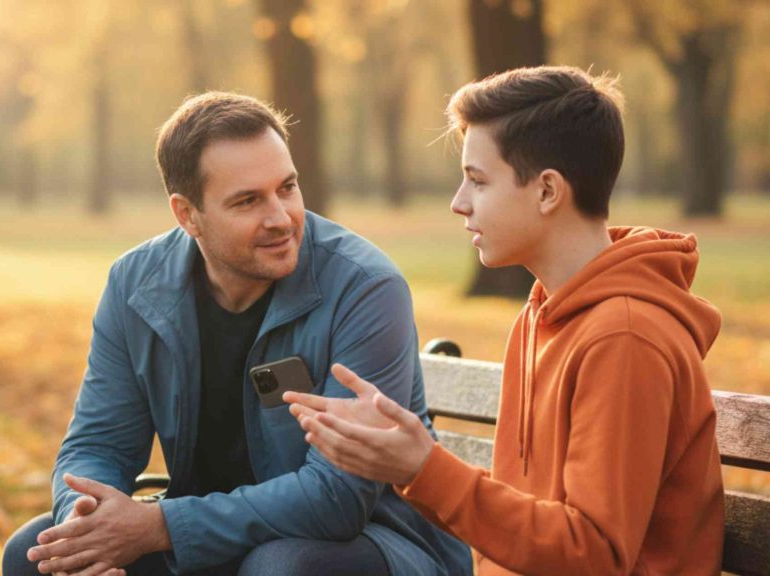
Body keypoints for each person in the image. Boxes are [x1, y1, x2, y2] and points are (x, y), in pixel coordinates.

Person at [1, 91, 472, 576]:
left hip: (378, 542)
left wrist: (160, 524)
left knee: (282, 567)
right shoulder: (136, 286)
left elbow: (338, 497)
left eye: (287, 188)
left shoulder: (365, 288)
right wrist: (87, 526)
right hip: (213, 538)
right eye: (248, 201)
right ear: (187, 215)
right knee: (36, 555)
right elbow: (97, 444)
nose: (281, 218)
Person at [286, 66, 725, 575]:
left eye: (477, 180)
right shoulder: (542, 314)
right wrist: (408, 462)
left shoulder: (625, 337)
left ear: (547, 192)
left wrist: (423, 467)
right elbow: (527, 517)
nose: (459, 202)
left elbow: (595, 554)